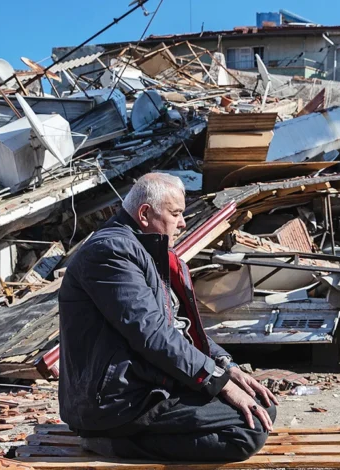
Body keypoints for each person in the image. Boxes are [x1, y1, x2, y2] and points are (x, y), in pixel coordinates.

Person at [58, 172, 277, 462]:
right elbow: (152, 334)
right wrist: (220, 382)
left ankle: (128, 437)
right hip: (115, 402)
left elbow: (179, 329)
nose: (183, 222)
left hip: (142, 388)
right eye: (176, 213)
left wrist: (227, 367)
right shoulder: (110, 253)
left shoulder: (145, 251)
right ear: (145, 213)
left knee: (260, 405)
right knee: (247, 431)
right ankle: (108, 442)